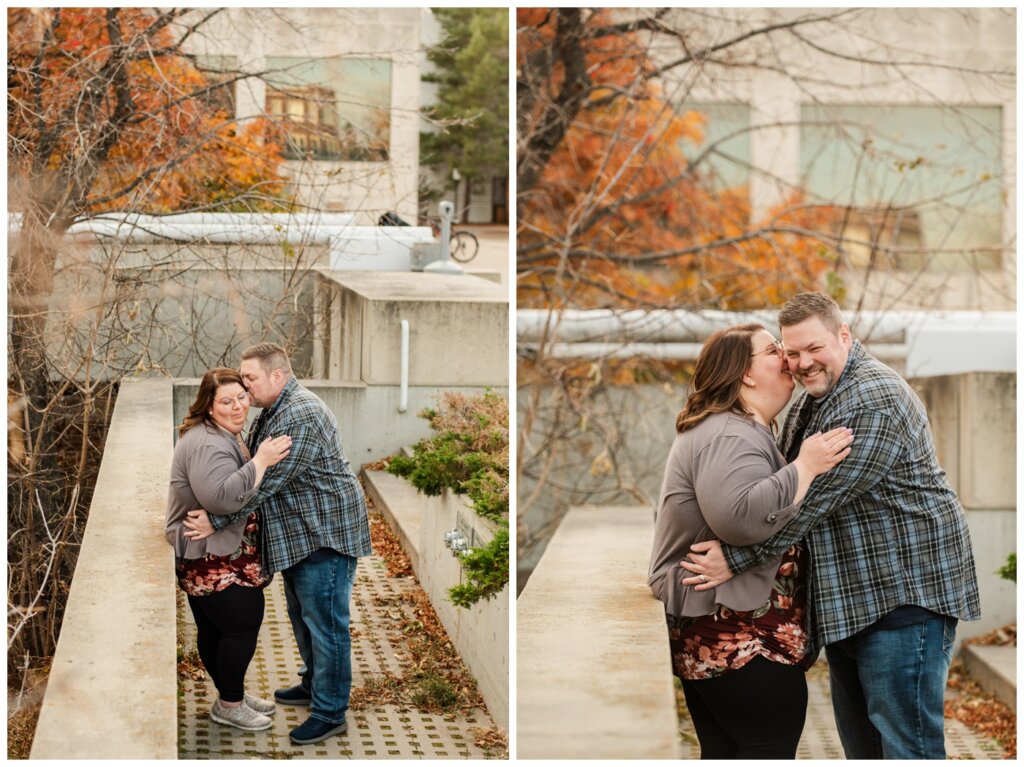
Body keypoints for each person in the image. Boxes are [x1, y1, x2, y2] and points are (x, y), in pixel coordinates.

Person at [681, 292, 981, 760]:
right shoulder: (812, 403)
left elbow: (813, 501)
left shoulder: (872, 398)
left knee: (907, 745)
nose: (802, 363)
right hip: (852, 602)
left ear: (844, 335)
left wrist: (735, 557)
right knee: (862, 748)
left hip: (903, 598)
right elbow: (782, 490)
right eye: (791, 352)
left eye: (814, 348)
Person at [648, 323, 854, 759]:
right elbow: (739, 519)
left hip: (729, 630)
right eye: (773, 351)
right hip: (741, 637)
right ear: (744, 373)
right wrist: (805, 468)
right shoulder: (730, 433)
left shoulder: (738, 429)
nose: (788, 360)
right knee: (768, 749)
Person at [183, 342, 373, 746]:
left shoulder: (300, 414)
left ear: (277, 376)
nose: (245, 389)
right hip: (301, 535)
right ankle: (312, 684)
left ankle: (329, 711)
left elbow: (266, 483)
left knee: (326, 626)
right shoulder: (275, 408)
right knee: (303, 617)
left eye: (250, 379)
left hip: (324, 533)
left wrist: (215, 519)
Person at [165, 368, 293, 731]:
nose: (238, 406)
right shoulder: (208, 442)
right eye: (226, 401)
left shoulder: (222, 433)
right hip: (211, 556)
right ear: (209, 406)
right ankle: (229, 704)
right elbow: (219, 499)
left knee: (215, 628)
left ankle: (229, 691)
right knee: (241, 623)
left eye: (241, 397)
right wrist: (261, 462)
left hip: (216, 550)